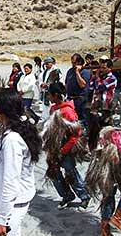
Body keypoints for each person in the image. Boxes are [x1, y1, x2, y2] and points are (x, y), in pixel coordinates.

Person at [0, 88, 42, 236]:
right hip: (15, 201)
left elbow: (11, 180)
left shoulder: (12, 139)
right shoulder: (14, 130)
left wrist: (2, 219)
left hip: (14, 204)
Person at [42, 82, 91, 210]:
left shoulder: (68, 112)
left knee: (71, 173)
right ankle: (66, 195)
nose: (48, 97)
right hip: (53, 148)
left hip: (65, 150)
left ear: (56, 95)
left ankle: (84, 196)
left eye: (49, 94)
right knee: (54, 173)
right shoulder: (53, 109)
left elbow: (76, 134)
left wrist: (64, 150)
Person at [65, 53, 91, 127]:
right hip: (70, 98)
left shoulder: (85, 72)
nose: (73, 64)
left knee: (82, 119)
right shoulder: (70, 71)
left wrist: (77, 72)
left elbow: (82, 85)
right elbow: (67, 83)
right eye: (72, 62)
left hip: (80, 99)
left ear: (79, 62)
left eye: (74, 63)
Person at [39, 57, 61, 121]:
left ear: (51, 63)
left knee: (52, 107)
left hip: (53, 92)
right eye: (45, 64)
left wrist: (48, 85)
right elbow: (40, 79)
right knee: (45, 107)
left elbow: (60, 81)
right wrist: (42, 84)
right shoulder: (45, 71)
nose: (46, 65)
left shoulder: (56, 70)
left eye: (47, 63)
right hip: (45, 92)